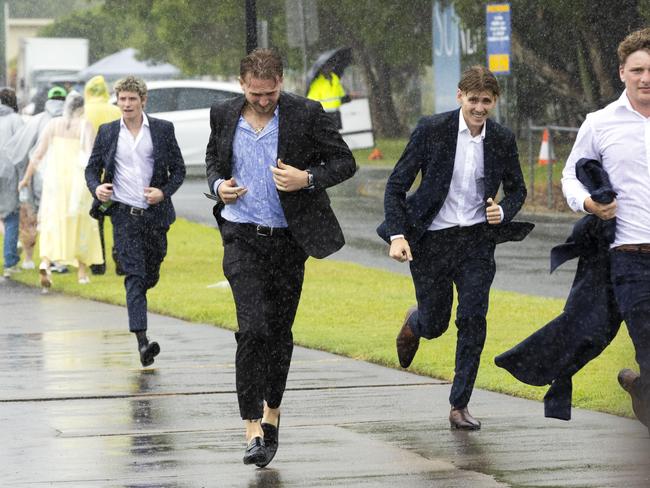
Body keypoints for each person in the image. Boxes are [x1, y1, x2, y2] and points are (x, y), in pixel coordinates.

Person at [205, 48, 356, 466]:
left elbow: (345, 162)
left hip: (289, 242)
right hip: (241, 236)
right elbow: (214, 161)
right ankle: (251, 427)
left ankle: (273, 413)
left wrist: (306, 178)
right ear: (242, 85)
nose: (263, 100)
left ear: (281, 83)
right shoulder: (223, 113)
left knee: (279, 333)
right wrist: (219, 186)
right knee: (252, 329)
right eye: (255, 94)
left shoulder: (306, 113)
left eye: (270, 93)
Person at [378, 65, 529, 430]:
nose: (479, 107)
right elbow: (396, 185)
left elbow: (518, 189)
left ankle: (459, 404)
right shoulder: (433, 130)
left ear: (495, 102)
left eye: (486, 101)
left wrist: (503, 210)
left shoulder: (501, 139)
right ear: (459, 96)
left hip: (476, 242)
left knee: (473, 318)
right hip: (431, 241)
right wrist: (398, 235)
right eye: (473, 99)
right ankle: (415, 324)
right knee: (436, 323)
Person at [561, 27, 650, 432]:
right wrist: (590, 204)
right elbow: (569, 177)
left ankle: (640, 388)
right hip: (629, 259)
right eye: (638, 70)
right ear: (622, 73)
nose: (646, 78)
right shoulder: (600, 123)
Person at [85, 76, 185, 368]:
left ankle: (143, 290)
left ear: (143, 100)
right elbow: (91, 169)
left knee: (150, 273)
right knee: (134, 276)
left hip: (155, 217)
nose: (126, 104)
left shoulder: (163, 130)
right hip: (123, 215)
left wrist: (163, 192)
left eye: (131, 99)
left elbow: (178, 170)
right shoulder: (107, 132)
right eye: (122, 99)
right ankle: (143, 342)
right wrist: (97, 188)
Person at [19, 91, 103, 289]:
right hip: (77, 183)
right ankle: (82, 272)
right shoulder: (84, 126)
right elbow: (92, 157)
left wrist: (26, 178)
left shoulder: (53, 125)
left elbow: (38, 155)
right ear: (82, 108)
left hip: (54, 183)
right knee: (81, 222)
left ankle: (46, 263)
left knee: (52, 221)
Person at [8, 85, 66, 272]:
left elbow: (20, 150)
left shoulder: (37, 120)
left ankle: (29, 258)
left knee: (31, 220)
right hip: (64, 180)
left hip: (39, 178)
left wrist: (24, 176)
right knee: (58, 220)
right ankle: (56, 259)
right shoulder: (73, 120)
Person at [83, 75, 123, 276]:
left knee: (95, 217)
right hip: (116, 168)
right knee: (118, 215)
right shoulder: (116, 110)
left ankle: (98, 263)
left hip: (92, 170)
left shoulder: (84, 112)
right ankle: (122, 258)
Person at [0, 87, 24, 278]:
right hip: (8, 173)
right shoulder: (16, 120)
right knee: (11, 217)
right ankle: (10, 261)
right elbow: (22, 149)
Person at [306, 61, 350, 129]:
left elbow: (341, 93)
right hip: (324, 114)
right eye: (325, 67)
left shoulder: (335, 78)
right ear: (321, 69)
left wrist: (344, 98)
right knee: (327, 135)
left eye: (329, 66)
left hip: (336, 112)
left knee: (337, 135)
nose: (328, 69)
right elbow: (311, 99)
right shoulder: (317, 83)